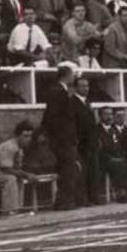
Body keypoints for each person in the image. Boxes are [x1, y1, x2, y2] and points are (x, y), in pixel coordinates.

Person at [0, 120, 38, 215]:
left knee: (19, 178)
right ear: (17, 136)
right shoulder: (10, 147)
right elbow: (6, 169)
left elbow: (16, 170)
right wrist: (27, 174)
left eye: (30, 136)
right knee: (10, 179)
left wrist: (26, 175)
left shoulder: (19, 149)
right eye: (25, 136)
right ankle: (9, 212)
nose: (28, 139)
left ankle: (17, 209)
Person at [41, 65, 79, 211]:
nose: (74, 77)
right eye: (73, 75)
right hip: (63, 140)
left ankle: (63, 201)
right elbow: (54, 117)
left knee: (66, 170)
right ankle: (64, 202)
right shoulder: (59, 92)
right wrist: (64, 137)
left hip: (61, 139)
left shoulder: (59, 91)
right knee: (67, 170)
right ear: (66, 75)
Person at [71, 76, 100, 206]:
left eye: (87, 86)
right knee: (83, 171)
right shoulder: (72, 103)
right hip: (81, 142)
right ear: (76, 88)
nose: (86, 88)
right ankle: (83, 199)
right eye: (82, 86)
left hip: (91, 142)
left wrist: (96, 138)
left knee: (92, 171)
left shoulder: (87, 102)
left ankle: (93, 197)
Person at [95, 106, 127, 202]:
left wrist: (125, 155)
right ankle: (120, 193)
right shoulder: (96, 130)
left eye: (111, 114)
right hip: (104, 159)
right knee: (119, 164)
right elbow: (99, 150)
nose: (109, 117)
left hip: (117, 158)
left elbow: (119, 146)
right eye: (106, 114)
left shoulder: (113, 130)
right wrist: (111, 158)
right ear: (100, 116)